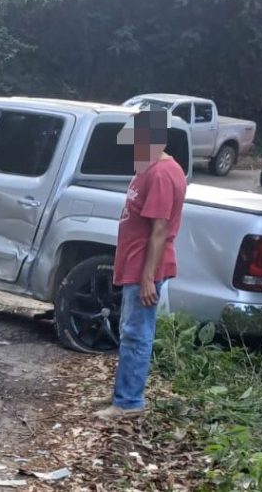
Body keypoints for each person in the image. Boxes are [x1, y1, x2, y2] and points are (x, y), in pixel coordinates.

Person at [94, 105, 187, 420]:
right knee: (131, 329)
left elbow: (159, 230)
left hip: (145, 268)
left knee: (136, 333)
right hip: (134, 263)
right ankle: (123, 395)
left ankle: (129, 403)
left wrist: (148, 278)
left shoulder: (163, 173)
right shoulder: (148, 167)